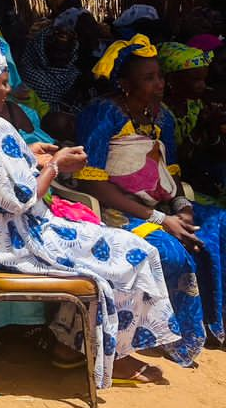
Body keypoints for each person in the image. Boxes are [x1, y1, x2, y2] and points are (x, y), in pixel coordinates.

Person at [0, 39, 181, 388]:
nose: (8, 90)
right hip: (18, 245)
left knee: (104, 240)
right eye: (2, 83)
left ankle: (70, 347)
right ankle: (115, 355)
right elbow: (20, 198)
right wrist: (55, 164)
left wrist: (27, 153)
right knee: (137, 253)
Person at [75, 36, 226, 363]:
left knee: (217, 227)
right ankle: (162, 334)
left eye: (159, 76)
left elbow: (167, 174)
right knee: (169, 252)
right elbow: (95, 185)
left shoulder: (164, 118)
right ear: (126, 84)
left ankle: (215, 323)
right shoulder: (103, 114)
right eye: (149, 78)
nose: (159, 84)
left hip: (160, 203)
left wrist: (181, 208)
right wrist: (160, 219)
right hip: (115, 207)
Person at [158, 42, 222, 201]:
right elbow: (174, 162)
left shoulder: (196, 105)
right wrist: (199, 128)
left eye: (204, 79)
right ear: (172, 80)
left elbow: (218, 153)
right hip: (175, 184)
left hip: (203, 175)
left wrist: (213, 127)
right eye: (196, 79)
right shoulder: (160, 113)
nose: (203, 85)